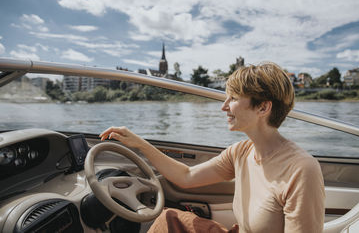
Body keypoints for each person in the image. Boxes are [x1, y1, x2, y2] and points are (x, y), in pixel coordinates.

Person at [99, 62, 325, 233]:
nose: (224, 107)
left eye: (233, 98)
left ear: (263, 107)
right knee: (169, 219)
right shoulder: (241, 152)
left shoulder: (301, 170)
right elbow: (186, 176)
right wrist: (139, 144)